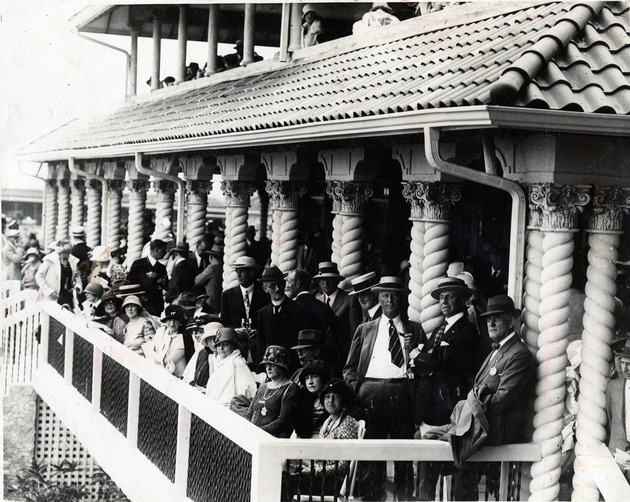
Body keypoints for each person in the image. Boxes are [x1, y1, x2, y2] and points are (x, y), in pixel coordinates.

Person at [417, 294, 536, 501]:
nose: (490, 322)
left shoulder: (518, 354)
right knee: (425, 440)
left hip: (492, 427)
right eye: (489, 318)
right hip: (476, 422)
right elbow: (479, 390)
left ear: (511, 320)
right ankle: (424, 498)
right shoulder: (496, 352)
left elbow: (501, 399)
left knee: (448, 449)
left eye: (497, 317)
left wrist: (472, 404)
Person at [343, 276, 424, 501]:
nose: (390, 300)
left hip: (402, 395)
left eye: (395, 295)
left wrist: (415, 351)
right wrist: (358, 391)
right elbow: (349, 368)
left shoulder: (415, 330)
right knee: (372, 456)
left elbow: (425, 371)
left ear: (402, 299)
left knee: (404, 456)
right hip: (371, 395)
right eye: (385, 295)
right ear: (378, 297)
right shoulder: (365, 329)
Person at [411, 277, 482, 428]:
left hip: (448, 407)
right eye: (441, 297)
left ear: (462, 300)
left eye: (450, 297)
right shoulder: (439, 329)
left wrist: (418, 356)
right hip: (428, 406)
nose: (444, 302)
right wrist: (422, 360)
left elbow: (445, 363)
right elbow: (426, 364)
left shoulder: (467, 330)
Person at [257, 266, 308, 371]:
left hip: (293, 370)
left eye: (280, 284)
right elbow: (261, 346)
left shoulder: (299, 310)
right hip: (271, 371)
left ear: (284, 284)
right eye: (272, 286)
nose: (278, 289)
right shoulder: (263, 313)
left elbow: (303, 345)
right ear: (265, 288)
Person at [313, 379, 360, 489]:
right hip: (325, 477)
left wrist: (316, 470)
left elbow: (344, 466)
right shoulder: (328, 421)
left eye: (336, 397)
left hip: (337, 482)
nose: (331, 401)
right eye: (327, 397)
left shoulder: (348, 423)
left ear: (344, 401)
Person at [315, 262, 362, 367]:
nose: (326, 283)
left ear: (337, 281)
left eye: (329, 279)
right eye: (323, 279)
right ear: (319, 282)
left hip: (342, 357)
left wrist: (352, 359)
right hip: (321, 358)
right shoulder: (317, 300)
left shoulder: (349, 299)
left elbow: (354, 333)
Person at [246, 345, 299, 438]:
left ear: (282, 366)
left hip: (273, 439)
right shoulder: (263, 387)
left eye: (272, 365)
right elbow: (250, 412)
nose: (268, 369)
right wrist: (247, 429)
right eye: (266, 365)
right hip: (253, 436)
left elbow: (282, 420)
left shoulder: (290, 388)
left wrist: (259, 432)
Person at [206, 327, 257, 407]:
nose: (221, 348)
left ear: (233, 346)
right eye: (219, 345)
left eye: (225, 345)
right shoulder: (223, 361)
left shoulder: (235, 363)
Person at [606, 337, 630, 482]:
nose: (624, 369)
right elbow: (610, 419)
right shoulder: (613, 387)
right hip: (618, 457)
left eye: (629, 364)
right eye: (622, 363)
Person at [143, 305, 188, 378]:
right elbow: (148, 351)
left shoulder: (183, 337)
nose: (172, 324)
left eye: (175, 320)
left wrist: (152, 354)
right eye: (169, 320)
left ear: (180, 321)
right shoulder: (160, 331)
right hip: (158, 373)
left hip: (177, 378)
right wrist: (155, 356)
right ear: (166, 320)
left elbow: (168, 361)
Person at [35, 240, 82, 308]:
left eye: (68, 253)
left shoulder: (72, 260)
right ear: (58, 253)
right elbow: (39, 276)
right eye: (63, 253)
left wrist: (77, 286)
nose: (66, 255)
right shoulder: (50, 260)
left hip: (67, 295)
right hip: (53, 296)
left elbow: (77, 275)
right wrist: (49, 291)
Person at [292, 359, 332, 438]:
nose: (310, 382)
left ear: (323, 378)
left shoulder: (331, 399)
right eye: (307, 378)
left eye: (314, 377)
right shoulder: (303, 400)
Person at [128, 239, 168, 316]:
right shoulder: (138, 263)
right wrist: (145, 275)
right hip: (141, 304)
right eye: (164, 250)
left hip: (157, 306)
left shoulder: (162, 267)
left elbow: (166, 287)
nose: (165, 253)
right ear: (156, 250)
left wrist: (164, 282)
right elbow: (130, 280)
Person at [182, 321, 222, 390]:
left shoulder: (225, 357)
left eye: (200, 332)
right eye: (209, 339)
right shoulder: (204, 354)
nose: (212, 344)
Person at [194, 244, 223, 313]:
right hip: (220, 303)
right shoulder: (223, 268)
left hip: (211, 303)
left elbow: (197, 281)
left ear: (211, 257)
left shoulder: (211, 268)